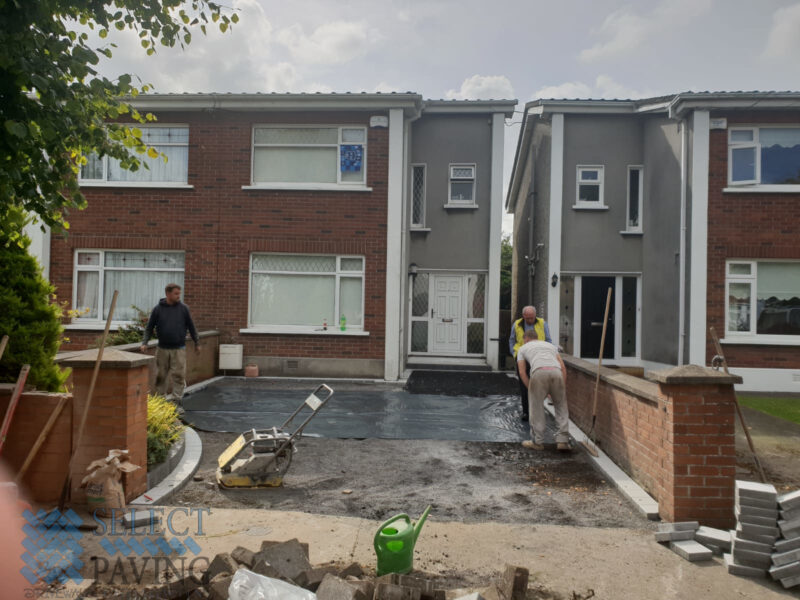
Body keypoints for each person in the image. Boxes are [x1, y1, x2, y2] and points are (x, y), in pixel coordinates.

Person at [140, 283, 200, 404]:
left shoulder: (184, 309)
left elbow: (191, 327)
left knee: (179, 376)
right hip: (162, 349)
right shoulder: (158, 309)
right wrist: (144, 342)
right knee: (161, 376)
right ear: (168, 294)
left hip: (179, 349)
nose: (179, 296)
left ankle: (176, 401)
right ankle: (160, 401)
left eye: (179, 293)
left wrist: (197, 343)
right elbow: (149, 327)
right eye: (176, 294)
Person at [516, 329, 570, 452]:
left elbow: (522, 372)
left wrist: (531, 388)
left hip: (539, 372)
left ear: (526, 339)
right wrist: (562, 387)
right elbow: (562, 367)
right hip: (556, 372)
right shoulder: (550, 346)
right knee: (561, 405)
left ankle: (538, 441)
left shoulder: (523, 348)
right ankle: (562, 441)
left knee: (536, 407)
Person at [508, 305, 551, 420]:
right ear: (523, 316)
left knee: (539, 384)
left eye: (532, 318)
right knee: (524, 386)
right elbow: (512, 340)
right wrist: (514, 354)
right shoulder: (517, 324)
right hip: (522, 359)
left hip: (538, 358)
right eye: (527, 318)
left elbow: (548, 340)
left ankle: (538, 411)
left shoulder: (542, 323)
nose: (530, 320)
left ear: (535, 315)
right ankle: (526, 412)